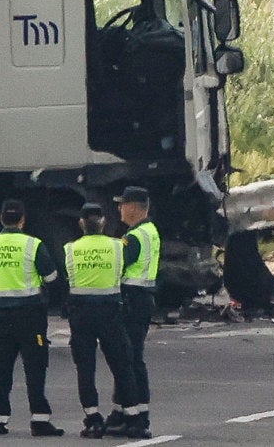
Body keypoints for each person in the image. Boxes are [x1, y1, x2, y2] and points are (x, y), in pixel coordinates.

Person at [64, 203, 148, 439]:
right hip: (110, 312)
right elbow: (126, 267)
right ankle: (134, 418)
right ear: (103, 223)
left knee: (85, 367)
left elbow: (62, 277)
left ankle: (92, 419)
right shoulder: (118, 246)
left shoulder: (70, 249)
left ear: (81, 223)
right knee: (122, 364)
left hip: (80, 313)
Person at [0, 199, 63, 437]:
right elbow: (51, 277)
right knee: (35, 367)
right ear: (22, 220)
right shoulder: (33, 245)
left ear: (0, 219)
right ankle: (39, 419)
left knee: (1, 368)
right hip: (30, 315)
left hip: (0, 315)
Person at [107, 186, 159, 438]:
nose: (119, 209)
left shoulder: (135, 237)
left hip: (132, 300)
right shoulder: (149, 231)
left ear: (134, 208)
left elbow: (118, 265)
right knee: (129, 358)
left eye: (123, 204)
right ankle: (122, 412)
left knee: (129, 359)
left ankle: (136, 417)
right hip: (142, 299)